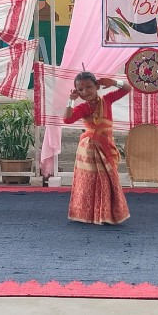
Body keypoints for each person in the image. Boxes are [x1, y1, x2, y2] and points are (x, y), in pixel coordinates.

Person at [63, 71, 132, 225]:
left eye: (89, 87)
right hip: (89, 148)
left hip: (106, 145)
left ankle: (106, 214)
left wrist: (113, 82)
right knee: (90, 182)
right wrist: (71, 100)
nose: (85, 92)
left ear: (97, 86)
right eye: (80, 89)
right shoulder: (83, 107)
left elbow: (127, 89)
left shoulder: (106, 100)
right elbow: (67, 119)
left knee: (108, 180)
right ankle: (88, 214)